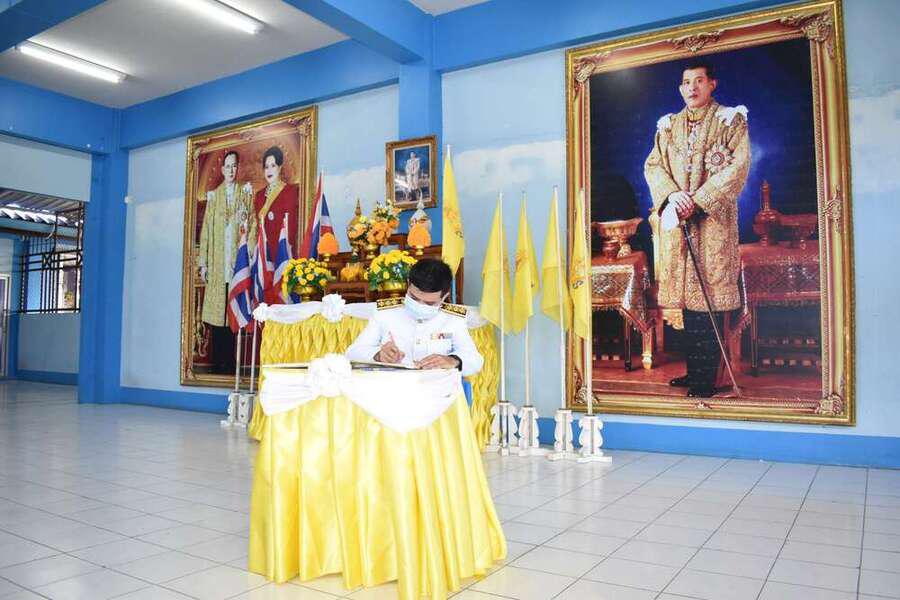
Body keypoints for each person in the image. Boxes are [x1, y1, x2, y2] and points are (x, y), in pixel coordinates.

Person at [643, 62, 750, 398]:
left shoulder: (730, 120)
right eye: (686, 82)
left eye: (699, 81)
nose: (692, 87)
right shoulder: (668, 126)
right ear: (681, 88)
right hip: (679, 221)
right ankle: (695, 371)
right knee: (689, 305)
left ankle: (707, 379)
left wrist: (699, 200)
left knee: (709, 300)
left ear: (711, 84)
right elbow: (654, 166)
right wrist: (673, 196)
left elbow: (738, 167)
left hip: (713, 224)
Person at [345, 258, 483, 377]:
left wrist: (453, 360)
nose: (420, 305)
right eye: (414, 298)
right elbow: (353, 352)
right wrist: (378, 355)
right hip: (392, 387)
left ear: (445, 296)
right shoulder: (385, 313)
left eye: (429, 303)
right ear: (408, 283)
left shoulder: (453, 319)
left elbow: (475, 360)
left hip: (436, 389)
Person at [198, 149, 254, 372]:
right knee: (217, 313)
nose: (231, 170)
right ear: (222, 169)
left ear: (238, 168)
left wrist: (249, 254)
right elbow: (206, 232)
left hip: (236, 265)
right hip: (217, 263)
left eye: (234, 166)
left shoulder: (245, 193)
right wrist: (204, 263)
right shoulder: (214, 197)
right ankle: (217, 362)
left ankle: (231, 363)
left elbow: (252, 224)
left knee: (232, 311)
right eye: (228, 166)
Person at [253, 145, 300, 303]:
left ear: (280, 167)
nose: (269, 170)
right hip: (263, 256)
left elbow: (291, 227)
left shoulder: (290, 191)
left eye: (273, 165)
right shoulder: (259, 195)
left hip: (281, 253)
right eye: (266, 167)